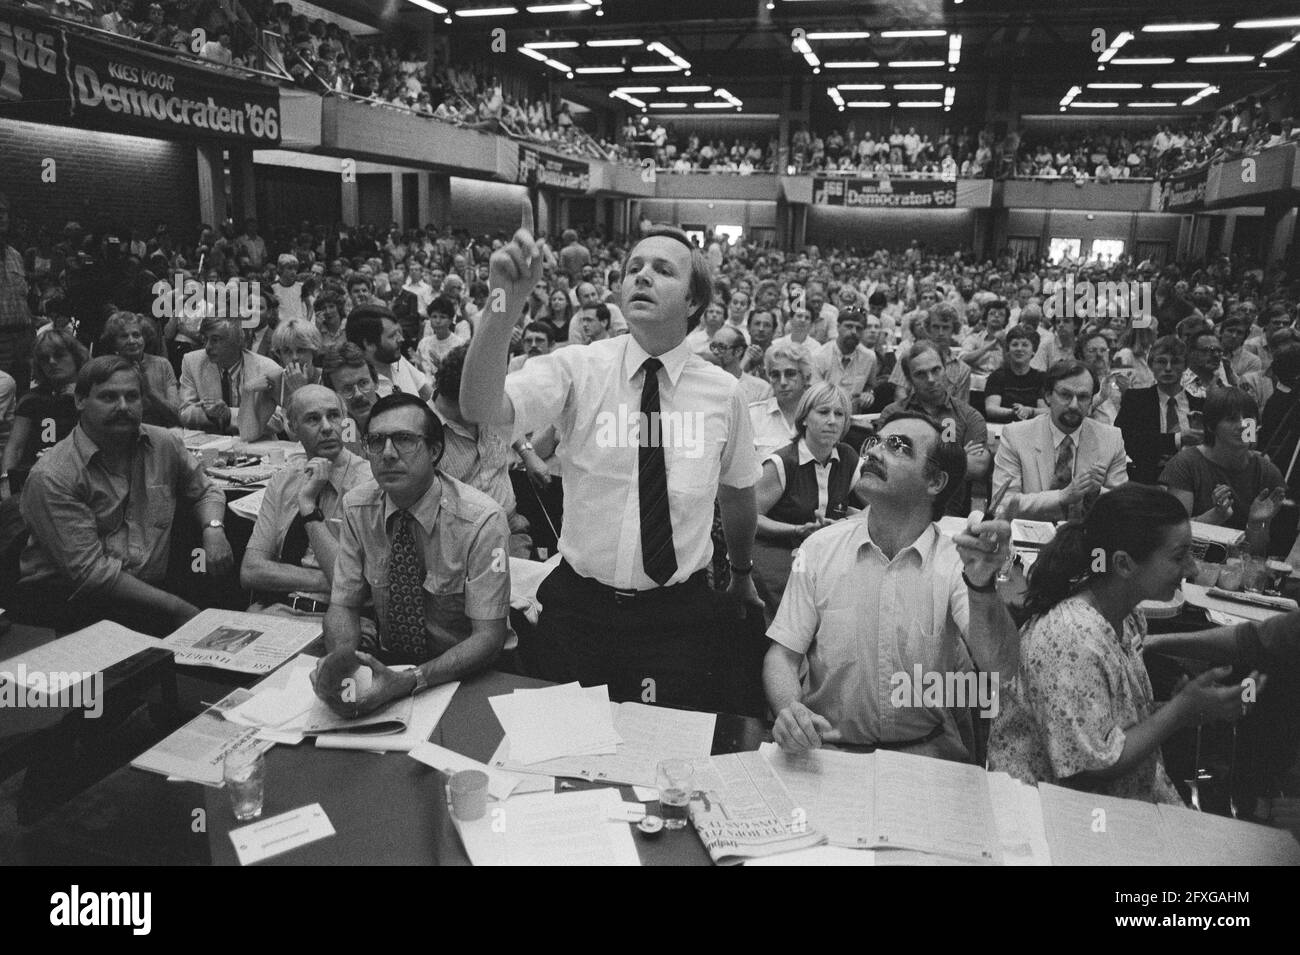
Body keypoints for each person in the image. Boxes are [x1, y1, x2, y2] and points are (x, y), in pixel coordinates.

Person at [461, 214, 763, 713]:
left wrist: (743, 571)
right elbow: (479, 406)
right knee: (565, 758)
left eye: (663, 270)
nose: (642, 276)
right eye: (633, 268)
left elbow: (736, 493)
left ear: (693, 301)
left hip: (676, 619)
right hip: (581, 611)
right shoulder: (579, 367)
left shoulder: (723, 394)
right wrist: (504, 303)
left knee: (662, 759)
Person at [765, 412, 1019, 760]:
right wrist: (788, 710)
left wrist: (982, 585)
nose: (873, 453)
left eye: (898, 446)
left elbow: (1001, 669)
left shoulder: (954, 560)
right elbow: (782, 655)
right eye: (875, 442)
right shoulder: (819, 548)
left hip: (925, 752)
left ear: (935, 482)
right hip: (828, 750)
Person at [988, 484, 1262, 803]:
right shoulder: (1074, 636)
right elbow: (1090, 766)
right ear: (1123, 564)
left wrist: (1187, 709)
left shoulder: (1127, 618)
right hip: (1056, 817)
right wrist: (1180, 709)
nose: (1192, 569)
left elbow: (1107, 725)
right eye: (1178, 556)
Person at [310, 393, 510, 717]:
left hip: (464, 676)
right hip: (389, 668)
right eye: (376, 442)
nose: (387, 454)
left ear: (434, 450)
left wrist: (409, 680)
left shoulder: (482, 520)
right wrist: (344, 667)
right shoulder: (357, 507)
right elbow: (343, 605)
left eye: (403, 440)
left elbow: (489, 638)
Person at [15, 356, 232, 635]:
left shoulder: (164, 443)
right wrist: (177, 607)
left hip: (148, 587)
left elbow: (205, 490)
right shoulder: (54, 475)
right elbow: (92, 574)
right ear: (80, 401)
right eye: (108, 397)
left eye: (132, 396)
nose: (123, 407)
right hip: (74, 603)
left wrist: (213, 529)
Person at [241, 385, 373, 614]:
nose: (327, 427)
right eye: (313, 419)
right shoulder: (283, 480)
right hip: (276, 608)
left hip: (336, 614)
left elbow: (353, 589)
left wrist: (308, 505)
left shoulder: (368, 484)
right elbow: (251, 571)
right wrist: (326, 580)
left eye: (333, 416)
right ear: (292, 428)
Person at [751, 383, 858, 621]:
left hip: (822, 547)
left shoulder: (848, 456)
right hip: (778, 547)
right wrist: (797, 529)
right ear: (805, 418)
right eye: (823, 412)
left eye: (839, 414)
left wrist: (846, 523)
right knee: (798, 599)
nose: (832, 420)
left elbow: (874, 504)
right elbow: (752, 518)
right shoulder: (782, 462)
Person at [993, 359, 1128, 522]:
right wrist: (1062, 496)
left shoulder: (1111, 439)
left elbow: (1123, 510)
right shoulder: (1016, 435)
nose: (1073, 405)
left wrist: (1096, 494)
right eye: (1065, 395)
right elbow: (1002, 505)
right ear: (1048, 396)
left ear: (1092, 401)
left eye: (1083, 397)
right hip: (1028, 535)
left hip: (1085, 541)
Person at [432, 345, 532, 558]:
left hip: (512, 526)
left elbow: (508, 426)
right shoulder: (423, 432)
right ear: (466, 400)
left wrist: (527, 452)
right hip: (462, 544)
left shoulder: (488, 405)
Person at [1160, 387, 1286, 554]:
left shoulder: (1267, 472)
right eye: (1232, 419)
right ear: (1211, 427)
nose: (1242, 426)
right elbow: (1172, 537)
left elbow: (1258, 556)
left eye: (1248, 419)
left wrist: (1255, 524)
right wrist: (1216, 516)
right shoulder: (1186, 464)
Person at [879, 341, 989, 514]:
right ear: (909, 379)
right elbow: (884, 464)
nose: (930, 379)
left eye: (936, 370)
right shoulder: (892, 414)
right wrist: (957, 457)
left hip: (950, 513)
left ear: (945, 369)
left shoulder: (968, 416)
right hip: (899, 510)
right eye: (920, 374)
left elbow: (979, 466)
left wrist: (911, 456)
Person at [0, 328, 87, 499]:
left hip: (84, 477)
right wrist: (5, 481)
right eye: (44, 359)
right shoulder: (32, 400)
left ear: (75, 357)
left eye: (59, 355)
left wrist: (80, 397)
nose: (52, 362)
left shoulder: (94, 395)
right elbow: (15, 447)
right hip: (38, 478)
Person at [1116, 335, 1205, 485]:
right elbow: (1125, 441)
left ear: (1185, 366)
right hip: (1146, 480)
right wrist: (1178, 439)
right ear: (1151, 365)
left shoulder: (1200, 405)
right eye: (1161, 361)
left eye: (1175, 362)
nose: (1168, 368)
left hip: (1192, 480)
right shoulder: (1135, 400)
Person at [179, 315, 283, 441]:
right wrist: (209, 415)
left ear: (238, 340)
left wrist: (229, 414)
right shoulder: (192, 362)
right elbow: (184, 412)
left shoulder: (267, 368)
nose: (207, 347)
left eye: (215, 340)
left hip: (256, 445)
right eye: (205, 339)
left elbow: (278, 419)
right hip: (210, 445)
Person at [345, 304, 432, 401]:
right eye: (392, 336)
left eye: (399, 332)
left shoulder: (398, 360)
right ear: (368, 344)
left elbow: (429, 395)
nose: (401, 339)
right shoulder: (360, 389)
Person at [100, 312, 180, 415]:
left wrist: (150, 392)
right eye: (124, 336)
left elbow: (177, 413)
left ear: (145, 338)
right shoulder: (106, 368)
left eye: (136, 335)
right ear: (114, 342)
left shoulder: (162, 365)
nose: (131, 341)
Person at [750, 343, 812, 458]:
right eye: (775, 375)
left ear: (806, 377)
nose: (783, 382)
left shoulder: (820, 415)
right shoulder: (753, 416)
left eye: (790, 374)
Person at [811, 308, 877, 413]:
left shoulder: (869, 357)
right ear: (838, 327)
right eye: (849, 326)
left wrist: (868, 394)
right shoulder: (819, 356)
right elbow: (815, 395)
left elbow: (870, 386)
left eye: (859, 328)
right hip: (824, 415)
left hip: (854, 419)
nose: (853, 332)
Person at [983, 325, 1046, 423]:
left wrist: (1029, 411)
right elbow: (991, 409)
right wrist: (1015, 412)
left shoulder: (1041, 378)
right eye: (1015, 344)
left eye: (1025, 345)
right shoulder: (996, 376)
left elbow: (1045, 411)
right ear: (1008, 350)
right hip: (1002, 429)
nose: (1019, 349)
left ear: (1033, 351)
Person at [710, 325, 773, 403]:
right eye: (713, 346)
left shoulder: (761, 389)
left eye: (721, 347)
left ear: (738, 351)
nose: (715, 352)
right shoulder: (703, 383)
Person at [416, 295, 465, 376]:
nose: (438, 321)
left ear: (450, 320)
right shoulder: (423, 343)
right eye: (434, 317)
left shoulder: (459, 345)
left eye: (443, 317)